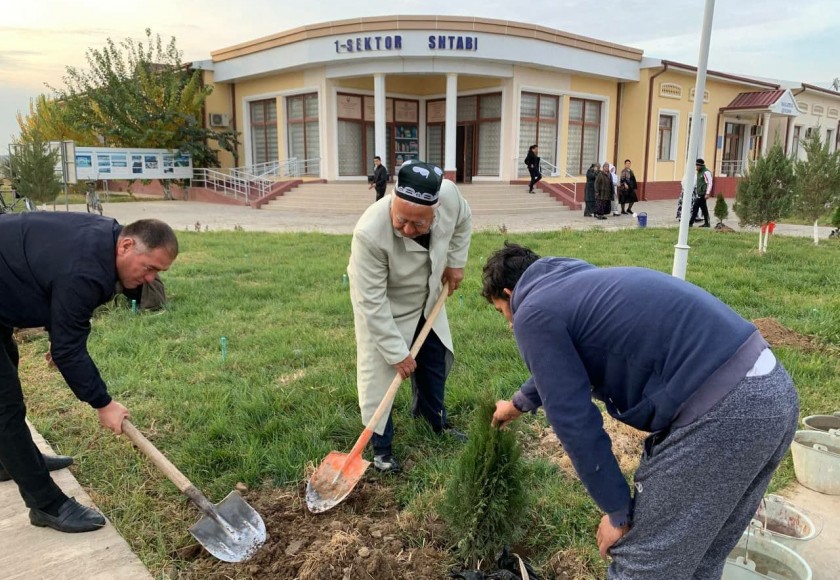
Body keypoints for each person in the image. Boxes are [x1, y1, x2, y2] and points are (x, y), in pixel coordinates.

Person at [482, 242, 798, 580]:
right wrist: (519, 404)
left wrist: (617, 512)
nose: (511, 326)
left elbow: (574, 422)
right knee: (698, 559)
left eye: (504, 313)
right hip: (772, 394)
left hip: (726, 413)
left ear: (509, 293)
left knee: (643, 562)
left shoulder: (532, 311)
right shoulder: (573, 282)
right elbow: (566, 365)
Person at [0, 214, 178, 533]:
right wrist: (103, 404)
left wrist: (61, 337)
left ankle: (9, 461)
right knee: (4, 406)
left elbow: (55, 284)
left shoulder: (105, 242)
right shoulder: (87, 267)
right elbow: (70, 345)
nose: (152, 279)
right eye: (149, 267)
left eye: (159, 272)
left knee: (7, 375)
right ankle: (46, 504)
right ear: (126, 245)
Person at [348, 160, 472, 473]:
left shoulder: (451, 198)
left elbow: (463, 222)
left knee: (433, 359)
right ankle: (382, 448)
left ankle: (434, 421)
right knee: (380, 377)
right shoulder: (369, 233)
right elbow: (371, 302)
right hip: (386, 305)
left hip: (428, 296)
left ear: (436, 209)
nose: (407, 229)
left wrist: (456, 262)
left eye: (418, 225)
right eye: (402, 220)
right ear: (392, 200)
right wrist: (396, 352)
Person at [690, 158, 713, 228]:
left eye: (697, 165)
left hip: (703, 193)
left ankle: (690, 223)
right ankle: (707, 223)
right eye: (696, 165)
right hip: (700, 193)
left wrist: (707, 193)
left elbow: (710, 183)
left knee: (695, 207)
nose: (696, 167)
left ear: (701, 166)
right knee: (704, 208)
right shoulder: (699, 172)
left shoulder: (706, 172)